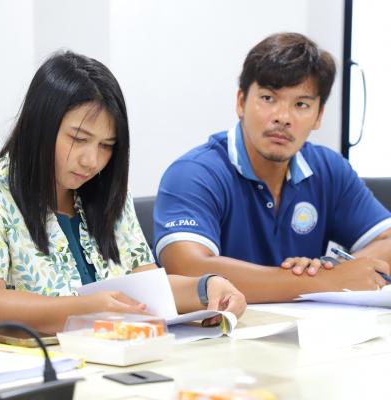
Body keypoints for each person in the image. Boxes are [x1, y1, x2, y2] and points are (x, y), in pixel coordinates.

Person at [0, 51, 246, 334]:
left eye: (106, 145)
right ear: (40, 125)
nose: (91, 161)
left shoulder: (107, 190)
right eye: (79, 139)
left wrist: (207, 288)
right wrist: (85, 308)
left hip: (119, 353)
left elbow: (148, 289)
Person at [154, 32, 391, 303]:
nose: (283, 117)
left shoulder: (329, 169)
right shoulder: (194, 173)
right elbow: (187, 269)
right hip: (223, 327)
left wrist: (334, 270)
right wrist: (324, 281)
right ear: (241, 102)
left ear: (318, 116)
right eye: (268, 98)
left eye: (301, 104)